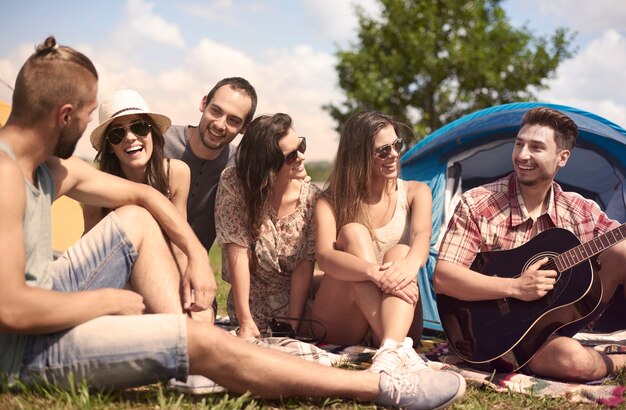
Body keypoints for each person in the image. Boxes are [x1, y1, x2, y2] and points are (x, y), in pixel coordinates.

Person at [0, 36, 466, 410]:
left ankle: (183, 347)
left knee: (137, 218)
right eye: (86, 118)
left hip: (52, 299)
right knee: (201, 342)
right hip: (22, 352)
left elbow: (142, 194)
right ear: (64, 115)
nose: (86, 129)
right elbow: (13, 312)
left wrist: (197, 260)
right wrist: (112, 301)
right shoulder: (5, 175)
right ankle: (379, 387)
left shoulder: (49, 168)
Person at [434, 106, 626, 382]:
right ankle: (619, 361)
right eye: (519, 144)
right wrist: (515, 287)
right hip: (494, 338)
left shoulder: (581, 210)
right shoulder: (478, 203)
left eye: (536, 147)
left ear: (562, 158)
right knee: (575, 362)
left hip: (559, 324)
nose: (522, 155)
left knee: (623, 249)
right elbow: (444, 277)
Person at [312, 111, 433, 373]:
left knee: (401, 251)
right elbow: (324, 256)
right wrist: (374, 274)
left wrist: (409, 266)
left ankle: (390, 347)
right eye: (383, 151)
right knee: (353, 233)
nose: (394, 155)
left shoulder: (416, 192)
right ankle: (396, 349)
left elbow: (423, 238)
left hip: (398, 315)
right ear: (358, 155)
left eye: (396, 145)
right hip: (344, 320)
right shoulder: (330, 201)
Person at [215, 113, 319, 338]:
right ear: (268, 165)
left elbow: (304, 266)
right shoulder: (235, 184)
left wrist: (293, 324)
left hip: (296, 305)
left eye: (301, 145)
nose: (301, 157)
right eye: (290, 156)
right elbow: (238, 252)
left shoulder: (311, 199)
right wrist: (245, 320)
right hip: (251, 305)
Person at [164, 77, 257, 251]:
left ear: (245, 129)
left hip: (190, 268)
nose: (220, 124)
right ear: (203, 103)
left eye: (233, 120)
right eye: (216, 111)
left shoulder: (241, 167)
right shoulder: (159, 142)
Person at [83, 89, 190, 232]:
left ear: (153, 133)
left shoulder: (176, 173)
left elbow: (181, 240)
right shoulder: (96, 189)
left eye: (139, 127)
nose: (130, 137)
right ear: (109, 147)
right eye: (117, 133)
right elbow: (93, 247)